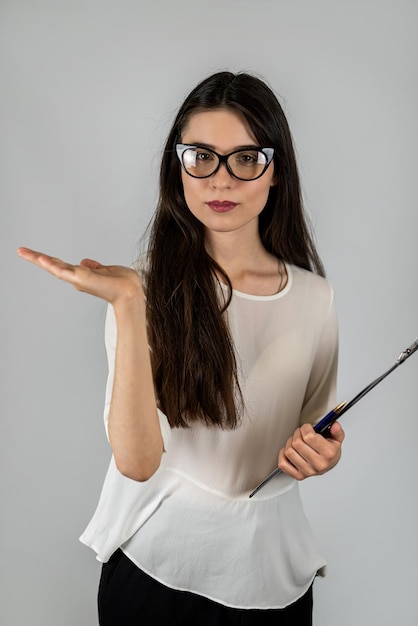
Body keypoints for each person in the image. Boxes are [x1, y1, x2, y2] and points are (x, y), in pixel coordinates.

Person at [18, 71, 345, 625]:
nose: (222, 180)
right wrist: (126, 303)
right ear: (180, 168)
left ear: (275, 173)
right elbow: (138, 463)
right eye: (201, 157)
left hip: (272, 576)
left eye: (246, 158)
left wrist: (324, 454)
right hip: (155, 573)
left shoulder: (316, 298)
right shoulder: (140, 291)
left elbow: (313, 431)